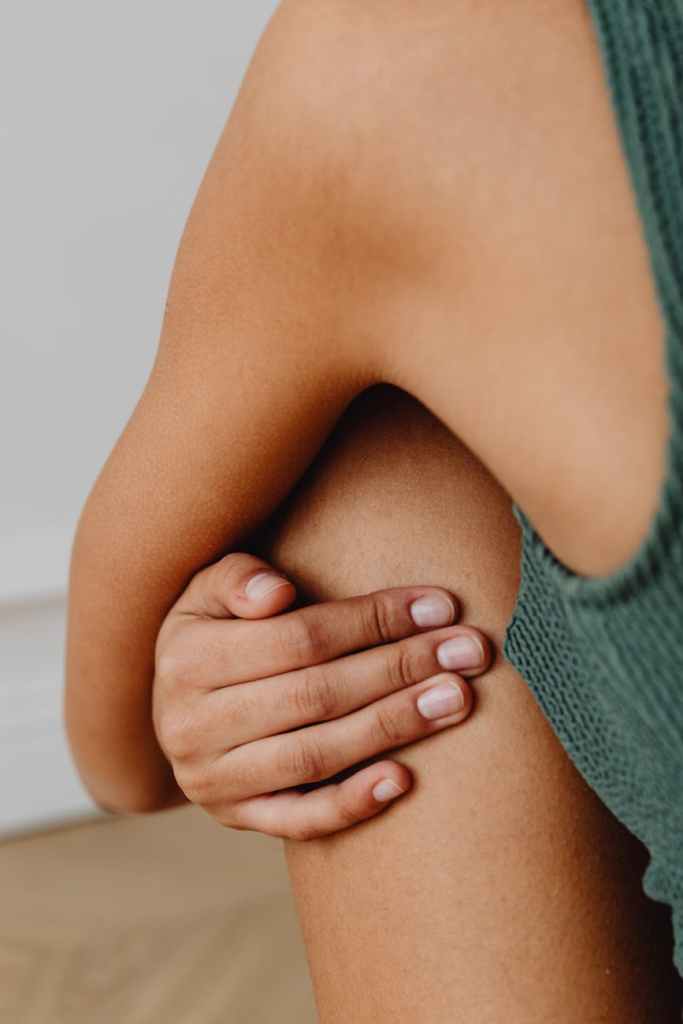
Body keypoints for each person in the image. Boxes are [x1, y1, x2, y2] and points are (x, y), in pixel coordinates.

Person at [65, 1, 683, 1019]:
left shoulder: (401, 60)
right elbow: (126, 745)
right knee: (381, 464)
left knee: (371, 473)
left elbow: (115, 754)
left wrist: (204, 704)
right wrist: (222, 691)